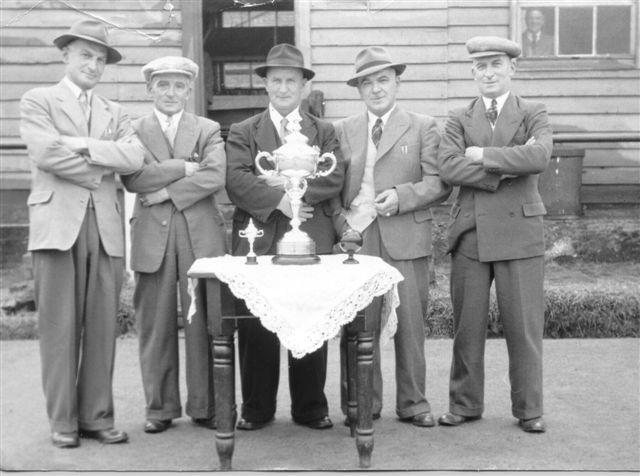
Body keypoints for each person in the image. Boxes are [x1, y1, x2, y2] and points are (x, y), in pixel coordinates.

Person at [19, 19, 144, 448]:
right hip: (56, 227)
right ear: (66, 55)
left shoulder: (116, 112)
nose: (93, 64)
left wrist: (85, 146)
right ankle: (64, 422)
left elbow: (133, 157)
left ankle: (97, 416)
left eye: (100, 58)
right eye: (85, 55)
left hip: (106, 227)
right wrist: (100, 170)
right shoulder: (38, 100)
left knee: (103, 324)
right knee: (58, 325)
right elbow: (45, 153)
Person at [225, 43, 345, 431]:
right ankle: (257, 409)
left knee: (310, 320)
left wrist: (297, 193)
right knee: (257, 322)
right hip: (257, 238)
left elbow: (334, 177)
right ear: (265, 86)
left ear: (303, 86)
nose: (282, 88)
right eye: (275, 80)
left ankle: (310, 407)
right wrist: (281, 201)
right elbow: (237, 181)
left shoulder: (323, 130)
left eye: (290, 80)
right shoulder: (245, 131)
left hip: (311, 236)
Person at [436, 36, 552, 433]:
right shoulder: (458, 117)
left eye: (496, 65)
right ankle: (465, 404)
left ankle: (529, 409)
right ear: (473, 72)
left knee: (523, 327)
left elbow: (538, 157)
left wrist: (483, 156)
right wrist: (508, 164)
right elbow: (449, 168)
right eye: (481, 66)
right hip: (470, 232)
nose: (488, 72)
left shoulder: (534, 111)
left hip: (520, 233)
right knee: (467, 327)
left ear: (512, 69)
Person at [331, 46, 451, 427]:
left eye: (383, 80)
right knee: (359, 324)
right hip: (358, 237)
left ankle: (413, 402)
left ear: (397, 82)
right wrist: (343, 227)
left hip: (406, 234)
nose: (376, 89)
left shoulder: (424, 125)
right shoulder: (342, 129)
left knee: (410, 322)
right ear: (358, 90)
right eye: (367, 83)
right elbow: (332, 191)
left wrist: (402, 197)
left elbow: (439, 183)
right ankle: (362, 403)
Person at [121, 56, 227, 434]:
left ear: (189, 90)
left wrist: (164, 188)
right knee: (155, 322)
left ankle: (205, 405)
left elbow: (214, 174)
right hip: (152, 234)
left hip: (200, 234)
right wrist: (184, 167)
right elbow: (133, 178)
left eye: (179, 85)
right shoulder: (133, 129)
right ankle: (159, 409)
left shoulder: (207, 128)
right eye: (162, 85)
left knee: (205, 321)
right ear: (150, 88)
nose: (171, 93)